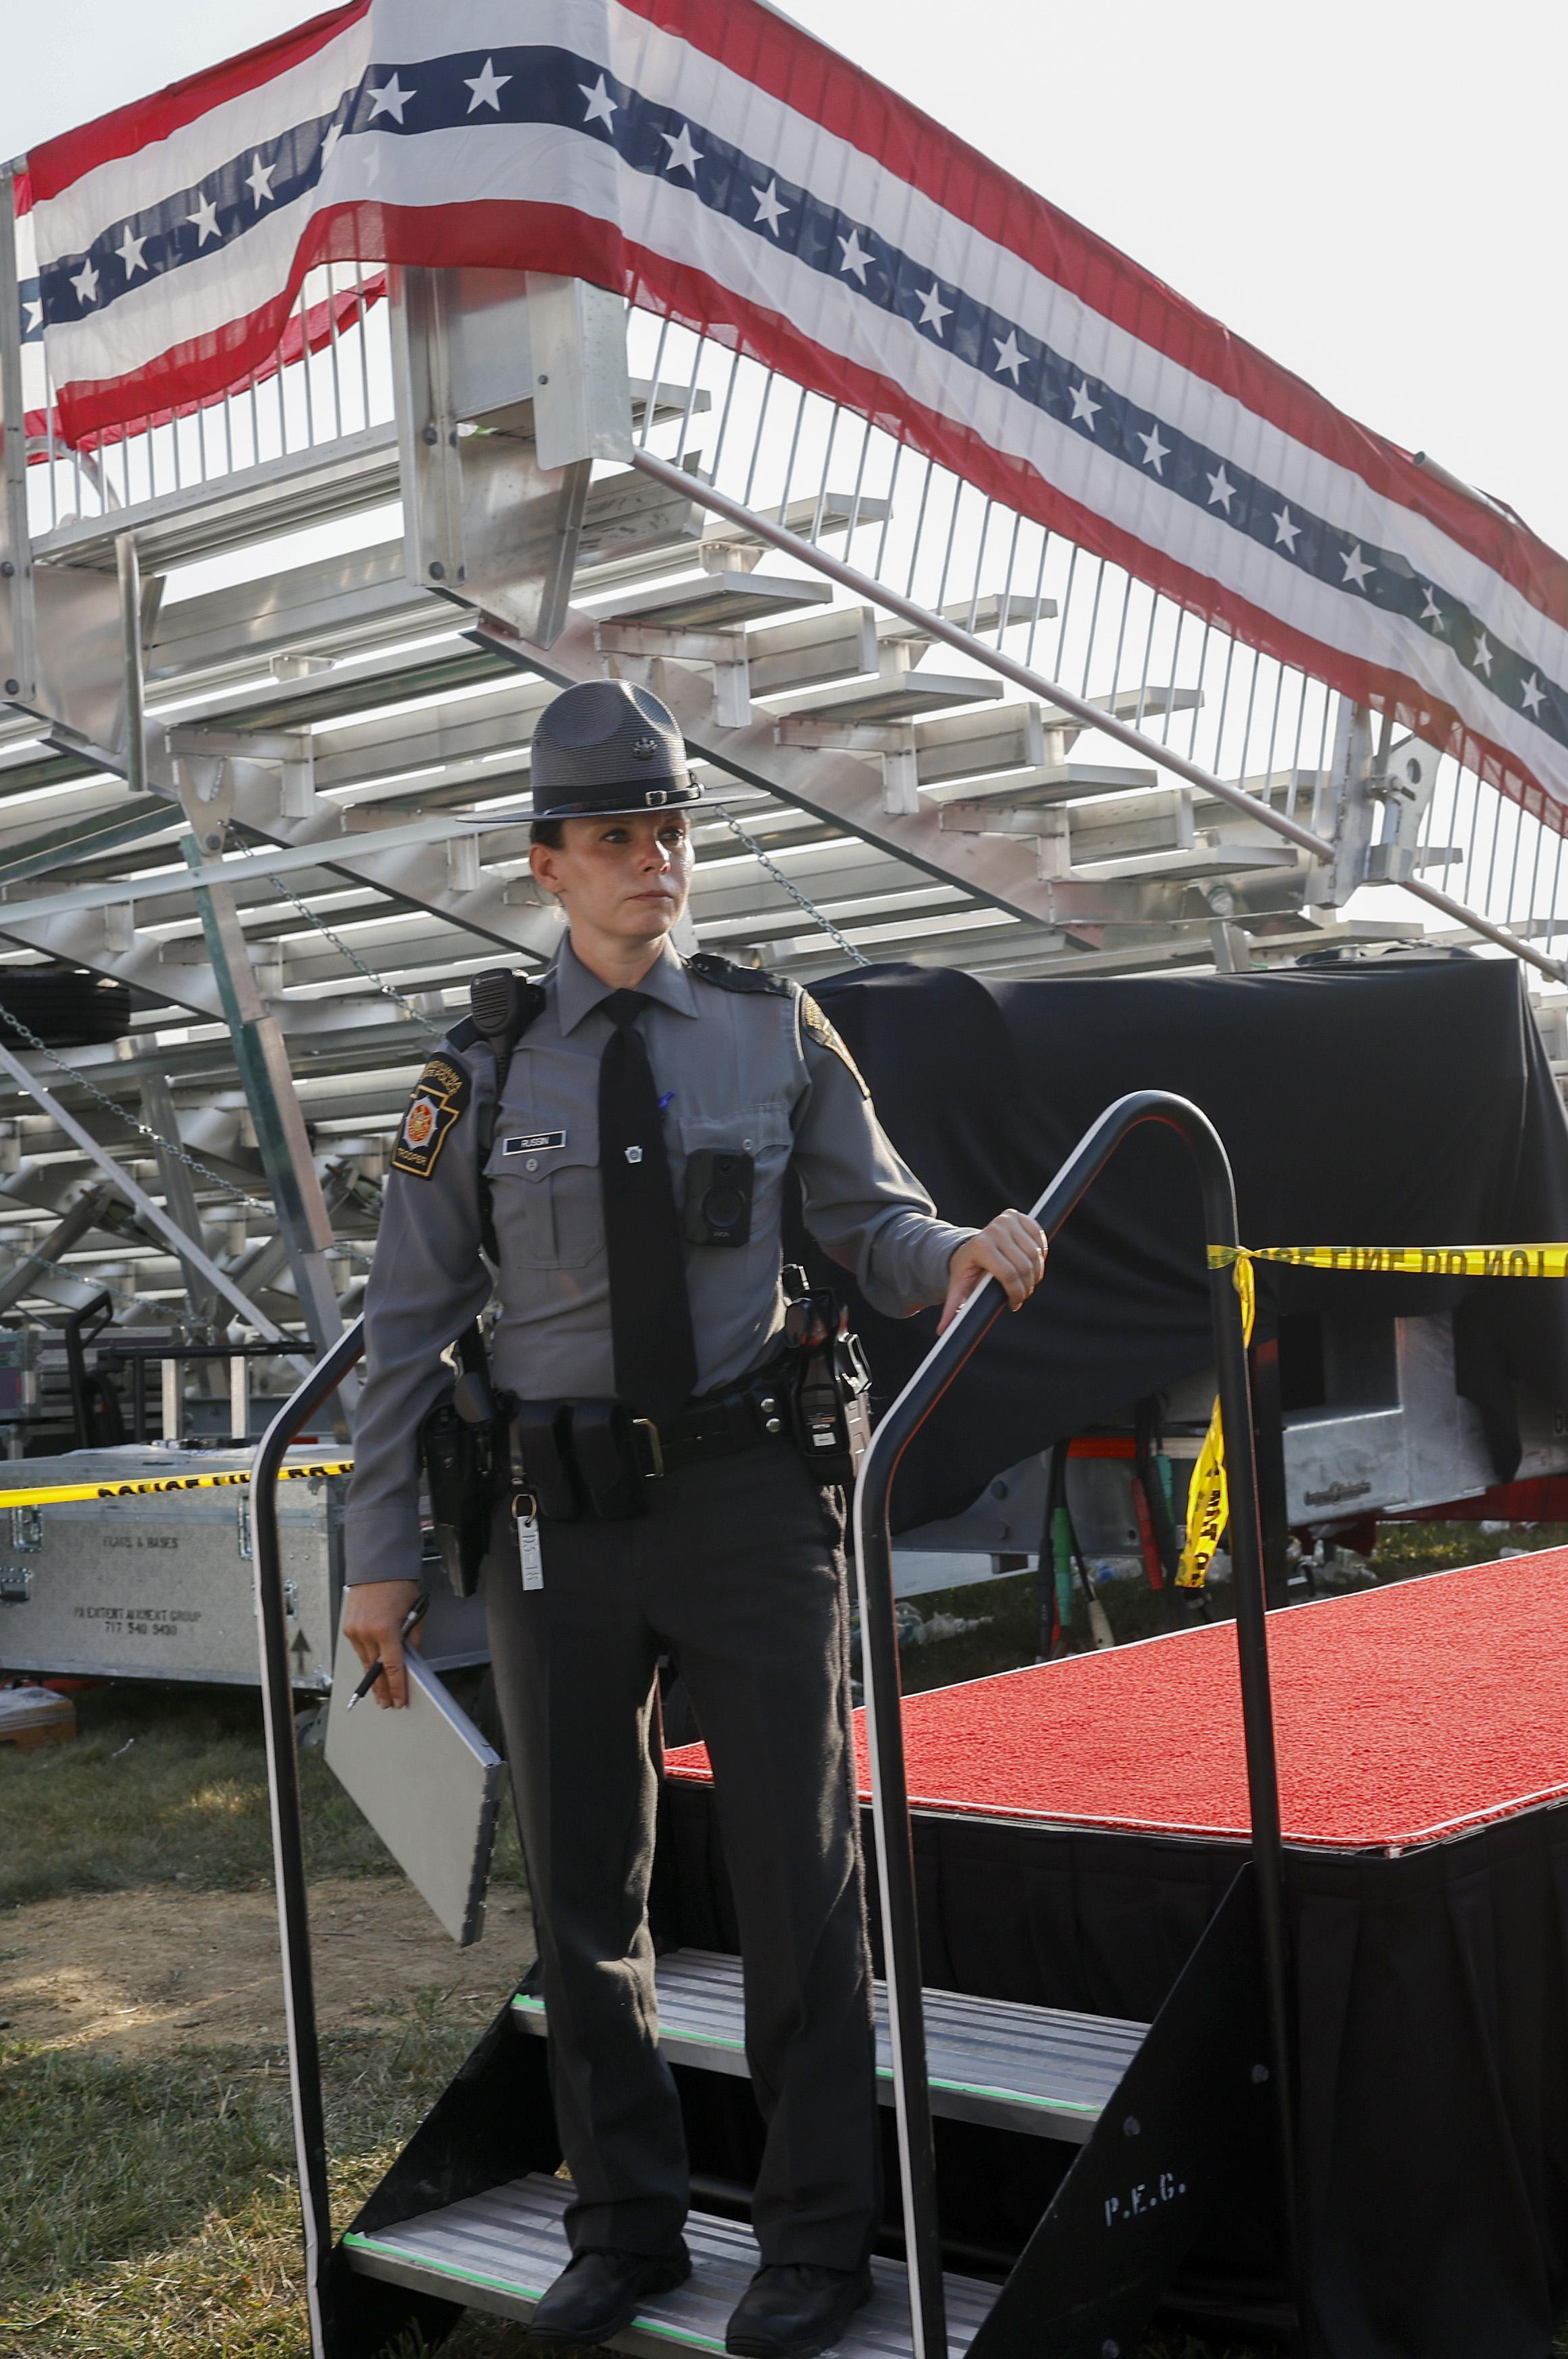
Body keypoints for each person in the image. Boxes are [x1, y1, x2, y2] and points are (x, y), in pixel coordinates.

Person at [338, 679, 1046, 2357]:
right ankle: (626, 2222)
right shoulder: (472, 1071)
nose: (651, 860)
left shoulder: (769, 1025)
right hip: (555, 1522)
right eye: (612, 837)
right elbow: (405, 1323)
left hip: (748, 1502)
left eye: (669, 830)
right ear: (545, 865)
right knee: (586, 1892)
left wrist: (951, 1252)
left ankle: (816, 2242)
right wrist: (372, 1554)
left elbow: (870, 1221)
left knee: (802, 1878)